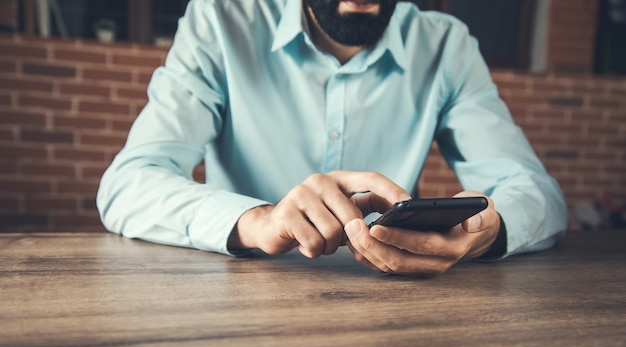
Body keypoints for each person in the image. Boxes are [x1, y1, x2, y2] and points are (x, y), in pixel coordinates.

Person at [96, 0, 567, 276]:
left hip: (398, 315)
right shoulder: (220, 20)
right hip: (242, 308)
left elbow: (536, 192)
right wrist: (257, 221)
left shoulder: (446, 45)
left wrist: (488, 232)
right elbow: (129, 183)